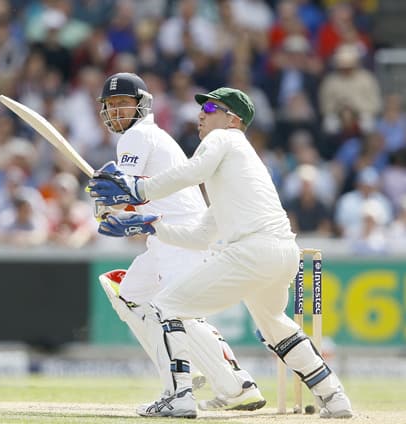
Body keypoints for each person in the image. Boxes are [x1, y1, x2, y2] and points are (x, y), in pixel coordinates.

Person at [88, 87, 352, 419]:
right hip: (284, 253)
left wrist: (138, 188)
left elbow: (190, 173)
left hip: (251, 251)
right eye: (202, 107)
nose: (202, 113)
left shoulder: (224, 138)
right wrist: (151, 227)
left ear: (233, 118)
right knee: (277, 327)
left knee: (167, 305)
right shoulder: (237, 168)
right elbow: (201, 236)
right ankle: (335, 397)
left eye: (211, 107)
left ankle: (180, 396)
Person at [94, 73, 266, 414]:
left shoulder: (137, 136)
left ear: (141, 104)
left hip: (181, 235)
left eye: (122, 103)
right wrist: (106, 200)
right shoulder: (146, 137)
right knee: (130, 296)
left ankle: (189, 392)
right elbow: (133, 196)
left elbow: (130, 192)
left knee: (175, 311)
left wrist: (105, 200)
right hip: (165, 237)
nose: (116, 111)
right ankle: (230, 385)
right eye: (110, 105)